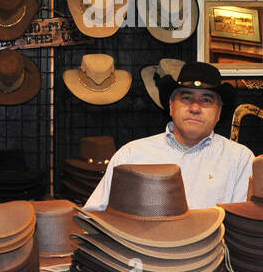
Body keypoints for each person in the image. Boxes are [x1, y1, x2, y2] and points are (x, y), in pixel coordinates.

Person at [84, 62, 253, 211]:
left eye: (206, 100)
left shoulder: (240, 160)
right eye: (186, 98)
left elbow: (242, 226)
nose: (195, 108)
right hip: (142, 247)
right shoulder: (131, 155)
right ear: (171, 107)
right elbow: (96, 215)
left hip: (213, 247)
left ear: (218, 113)